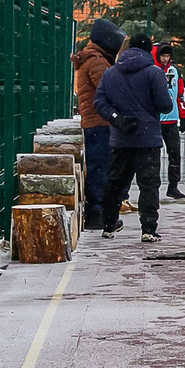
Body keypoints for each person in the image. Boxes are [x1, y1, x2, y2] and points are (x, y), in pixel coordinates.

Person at [91, 31, 175, 241]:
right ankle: (148, 229)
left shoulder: (110, 73)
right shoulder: (154, 73)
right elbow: (165, 105)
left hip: (121, 138)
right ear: (148, 51)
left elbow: (99, 102)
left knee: (115, 181)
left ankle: (109, 224)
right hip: (148, 139)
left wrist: (117, 118)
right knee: (148, 184)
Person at [73, 19, 123, 228]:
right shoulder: (97, 61)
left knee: (98, 167)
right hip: (99, 122)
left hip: (95, 121)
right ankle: (97, 214)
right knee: (100, 168)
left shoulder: (94, 58)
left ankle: (99, 212)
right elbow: (110, 88)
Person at [154, 42, 185, 204]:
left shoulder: (175, 71)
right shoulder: (152, 71)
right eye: (163, 56)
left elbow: (179, 95)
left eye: (168, 56)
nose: (165, 59)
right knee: (153, 156)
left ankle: (173, 186)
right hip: (156, 120)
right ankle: (153, 186)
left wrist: (182, 117)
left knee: (175, 153)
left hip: (172, 119)